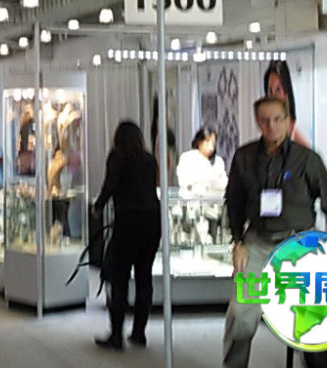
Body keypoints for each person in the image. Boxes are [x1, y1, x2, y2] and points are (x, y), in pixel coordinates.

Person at [223, 97, 327, 368]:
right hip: (257, 243)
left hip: (300, 244)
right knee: (241, 317)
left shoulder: (307, 159)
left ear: (289, 121)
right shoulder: (244, 157)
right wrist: (237, 242)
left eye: (277, 119)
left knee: (312, 317)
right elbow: (233, 202)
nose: (271, 125)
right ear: (258, 122)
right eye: (265, 120)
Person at [92, 121, 161, 351]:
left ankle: (116, 335)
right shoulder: (149, 159)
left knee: (119, 277)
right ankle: (139, 333)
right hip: (152, 222)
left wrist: (98, 206)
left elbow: (111, 184)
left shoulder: (118, 156)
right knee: (144, 276)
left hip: (128, 221)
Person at [176, 126, 228, 244]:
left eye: (213, 143)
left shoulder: (218, 161)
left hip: (214, 207)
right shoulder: (188, 158)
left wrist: (211, 183)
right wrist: (200, 182)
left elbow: (224, 182)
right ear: (199, 141)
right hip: (192, 207)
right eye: (207, 142)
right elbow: (184, 181)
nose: (211, 147)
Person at [263, 60, 311, 147]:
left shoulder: (296, 135)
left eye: (278, 90)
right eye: (270, 91)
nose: (273, 96)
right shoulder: (266, 130)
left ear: (286, 93)